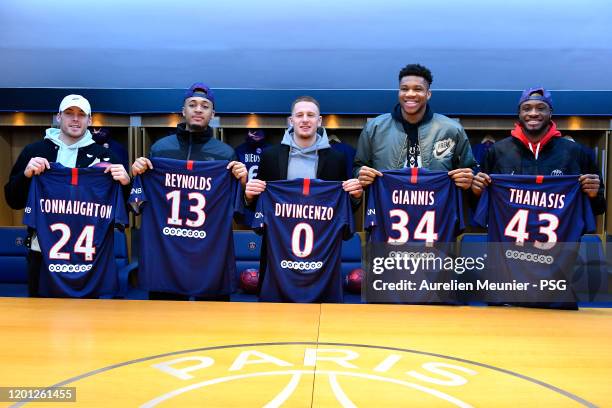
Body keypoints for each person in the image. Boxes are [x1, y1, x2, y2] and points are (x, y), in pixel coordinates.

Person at [4, 94, 130, 297]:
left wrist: (126, 183)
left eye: (81, 115)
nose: (75, 119)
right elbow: (13, 200)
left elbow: (127, 208)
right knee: (41, 322)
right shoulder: (35, 151)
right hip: (43, 254)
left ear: (90, 120)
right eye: (69, 113)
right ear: (58, 117)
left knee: (88, 324)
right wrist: (26, 175)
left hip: (90, 256)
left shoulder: (105, 156)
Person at [131, 82, 247, 301]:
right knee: (165, 325)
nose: (198, 109)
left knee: (213, 326)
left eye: (205, 105)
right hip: (166, 252)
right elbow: (138, 204)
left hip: (209, 253)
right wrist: (138, 173)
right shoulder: (160, 148)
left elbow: (239, 210)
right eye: (192, 104)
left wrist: (241, 183)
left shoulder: (225, 153)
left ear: (213, 113)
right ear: (183, 111)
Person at [244, 96, 363, 300]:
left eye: (310, 115)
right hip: (278, 253)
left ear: (319, 121)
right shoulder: (270, 156)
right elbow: (259, 210)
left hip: (321, 253)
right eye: (299, 115)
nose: (305, 120)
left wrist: (356, 197)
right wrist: (248, 196)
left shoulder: (337, 158)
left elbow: (341, 210)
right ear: (291, 121)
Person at [471, 86, 605, 214]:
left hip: (560, 237)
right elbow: (479, 208)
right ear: (519, 114)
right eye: (527, 108)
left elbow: (599, 208)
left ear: (550, 113)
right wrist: (476, 192)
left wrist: (593, 195)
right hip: (511, 236)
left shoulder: (575, 152)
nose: (533, 113)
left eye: (541, 108)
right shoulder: (497, 151)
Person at [354, 63, 476, 190]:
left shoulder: (451, 129)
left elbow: (470, 171)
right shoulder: (375, 128)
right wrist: (360, 175)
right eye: (404, 89)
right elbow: (358, 168)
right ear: (399, 92)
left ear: (428, 94)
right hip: (387, 207)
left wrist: (469, 180)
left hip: (437, 207)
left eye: (418, 89)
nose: (410, 94)